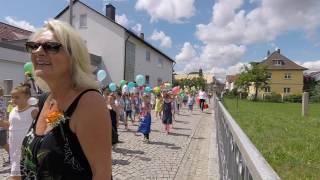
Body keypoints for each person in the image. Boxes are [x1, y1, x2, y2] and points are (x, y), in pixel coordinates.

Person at [20, 20, 112, 179]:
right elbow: (54, 140)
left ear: (73, 57)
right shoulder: (45, 100)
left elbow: (102, 173)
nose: (39, 52)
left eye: (51, 46)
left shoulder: (88, 102)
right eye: (34, 46)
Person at [0, 84, 38, 180]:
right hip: (14, 147)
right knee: (15, 174)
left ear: (27, 98)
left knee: (25, 172)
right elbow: (10, 125)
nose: (13, 100)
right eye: (12, 97)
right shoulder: (13, 110)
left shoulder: (33, 111)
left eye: (17, 97)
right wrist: (2, 122)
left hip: (26, 147)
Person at [0, 87, 10, 165]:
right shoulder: (1, 100)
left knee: (4, 144)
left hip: (1, 127)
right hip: (2, 127)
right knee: (4, 144)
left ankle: (13, 156)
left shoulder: (0, 101)